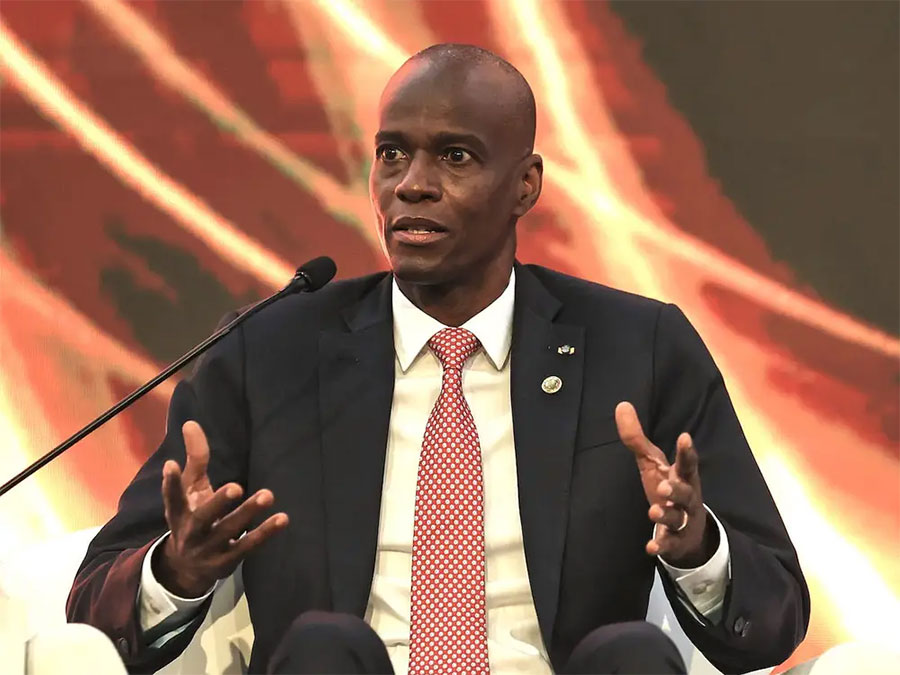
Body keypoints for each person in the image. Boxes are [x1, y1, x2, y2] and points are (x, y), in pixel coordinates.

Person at [67, 44, 809, 674]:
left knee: (633, 655)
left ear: (525, 185)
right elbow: (93, 605)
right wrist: (178, 569)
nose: (412, 184)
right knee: (323, 645)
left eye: (455, 156)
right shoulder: (269, 350)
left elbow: (775, 612)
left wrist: (696, 548)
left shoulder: (639, 347)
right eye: (392, 154)